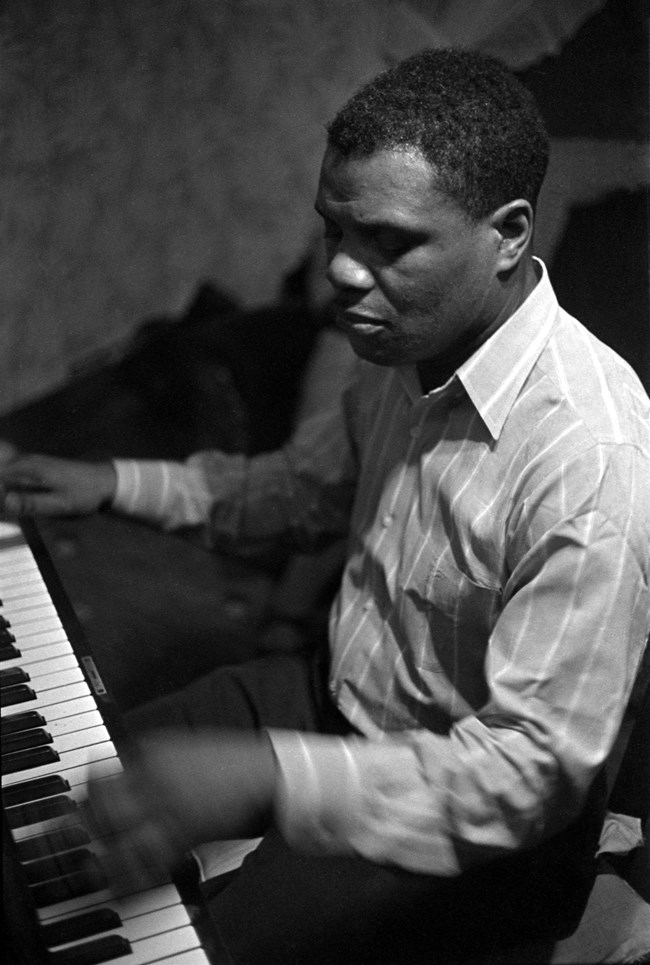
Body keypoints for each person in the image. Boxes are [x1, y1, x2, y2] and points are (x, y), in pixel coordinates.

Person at [2, 47, 650, 965]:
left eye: (387, 242)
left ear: (508, 235)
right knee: (44, 815)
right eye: (333, 232)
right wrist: (114, 480)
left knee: (183, 947)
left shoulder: (592, 464)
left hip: (477, 824)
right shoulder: (402, 347)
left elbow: (530, 775)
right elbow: (291, 491)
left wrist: (270, 779)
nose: (343, 274)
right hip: (332, 690)